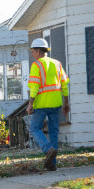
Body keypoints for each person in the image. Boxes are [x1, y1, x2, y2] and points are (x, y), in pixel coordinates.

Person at [26, 38, 70, 171]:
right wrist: (66, 102)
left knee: (34, 128)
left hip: (41, 104)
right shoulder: (57, 64)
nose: (32, 54)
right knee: (54, 132)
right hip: (56, 103)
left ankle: (48, 149)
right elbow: (64, 85)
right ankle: (52, 164)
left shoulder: (36, 65)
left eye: (33, 51)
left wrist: (30, 104)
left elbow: (34, 87)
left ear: (38, 51)